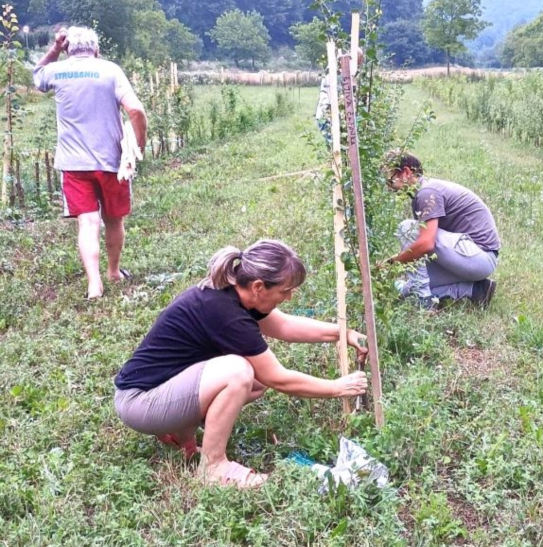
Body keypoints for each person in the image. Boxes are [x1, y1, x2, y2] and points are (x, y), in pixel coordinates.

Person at [114, 239, 369, 489]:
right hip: (140, 402)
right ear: (259, 286)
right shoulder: (226, 313)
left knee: (254, 384)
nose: (289, 297)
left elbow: (286, 325)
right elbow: (278, 378)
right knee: (238, 372)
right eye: (284, 291)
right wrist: (337, 387)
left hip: (157, 392)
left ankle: (181, 434)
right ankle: (213, 468)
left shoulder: (235, 294)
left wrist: (342, 333)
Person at [33, 26, 148, 299]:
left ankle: (94, 285)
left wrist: (54, 50)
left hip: (73, 164)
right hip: (112, 163)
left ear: (67, 48)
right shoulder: (110, 70)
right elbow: (136, 110)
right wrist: (139, 146)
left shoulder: (57, 71)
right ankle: (114, 272)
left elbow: (37, 74)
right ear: (96, 49)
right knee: (114, 220)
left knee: (87, 223)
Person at [384, 151, 501, 307]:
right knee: (412, 283)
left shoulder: (427, 193)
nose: (389, 188)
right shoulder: (425, 191)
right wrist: (392, 263)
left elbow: (425, 244)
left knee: (407, 228)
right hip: (472, 258)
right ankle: (475, 290)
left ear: (406, 172)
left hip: (480, 256)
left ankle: (425, 303)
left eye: (390, 180)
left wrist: (393, 264)